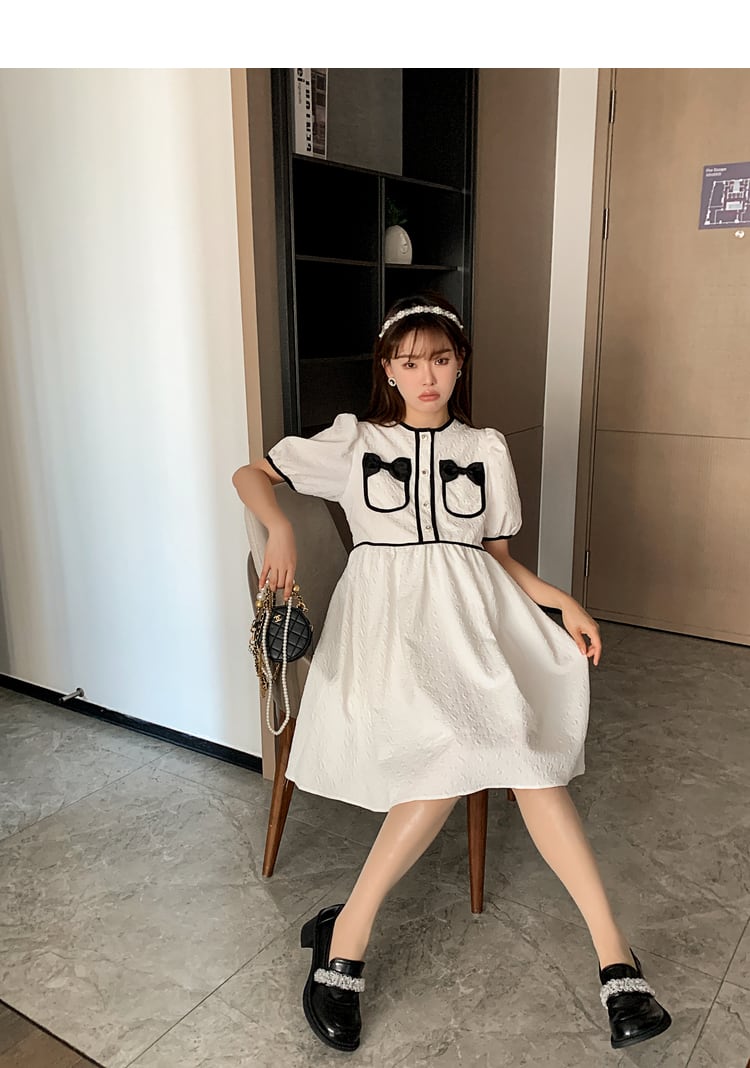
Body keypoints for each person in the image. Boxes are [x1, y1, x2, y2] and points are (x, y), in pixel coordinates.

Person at [232, 295, 672, 1055]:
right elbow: (250, 474)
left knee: (530, 764)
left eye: (439, 358)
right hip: (387, 639)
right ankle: (347, 940)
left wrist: (560, 601)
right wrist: (277, 526)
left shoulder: (485, 448)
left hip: (472, 630)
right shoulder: (355, 441)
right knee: (447, 754)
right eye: (409, 362)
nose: (426, 375)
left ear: (459, 363)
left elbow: (496, 560)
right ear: (388, 370)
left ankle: (615, 961)